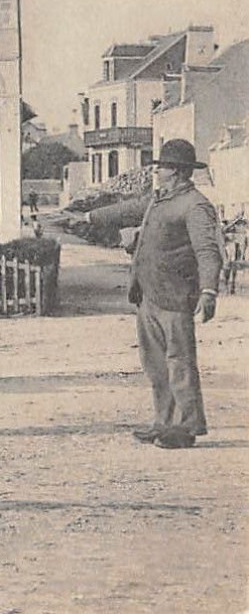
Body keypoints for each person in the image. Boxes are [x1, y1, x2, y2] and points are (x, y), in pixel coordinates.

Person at [89, 138, 224, 449]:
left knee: (180, 362)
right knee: (155, 364)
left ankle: (187, 427)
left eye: (161, 167)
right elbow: (128, 209)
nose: (157, 171)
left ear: (175, 171)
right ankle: (163, 422)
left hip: (176, 297)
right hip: (148, 294)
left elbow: (208, 251)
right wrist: (90, 217)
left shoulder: (195, 206)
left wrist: (208, 292)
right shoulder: (159, 199)